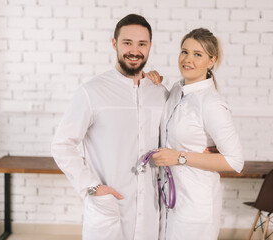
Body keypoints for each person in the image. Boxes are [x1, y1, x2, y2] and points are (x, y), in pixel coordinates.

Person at [51, 14, 168, 240]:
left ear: (150, 47)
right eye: (127, 42)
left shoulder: (159, 93)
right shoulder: (91, 92)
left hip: (150, 211)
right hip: (109, 207)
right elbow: (62, 145)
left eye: (142, 44)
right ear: (114, 43)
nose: (134, 50)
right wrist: (92, 187)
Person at [152, 28, 244, 240]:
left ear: (211, 61)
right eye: (184, 52)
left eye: (197, 54)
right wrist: (150, 79)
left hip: (195, 208)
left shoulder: (211, 103)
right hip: (171, 202)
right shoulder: (176, 89)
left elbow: (235, 161)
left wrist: (180, 157)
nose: (187, 59)